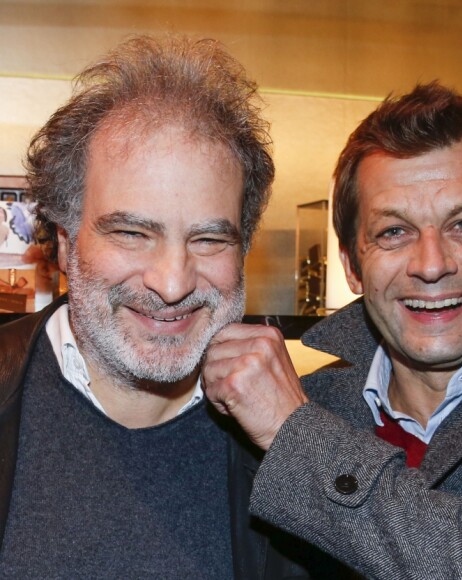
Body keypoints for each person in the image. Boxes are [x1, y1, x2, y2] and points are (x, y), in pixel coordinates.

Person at [0, 34, 353, 578]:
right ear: (66, 242)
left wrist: (300, 446)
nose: (171, 282)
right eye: (133, 232)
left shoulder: (301, 441)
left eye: (209, 240)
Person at [203, 82, 462, 578]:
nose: (431, 264)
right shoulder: (307, 405)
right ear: (353, 266)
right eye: (393, 232)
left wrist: (298, 438)